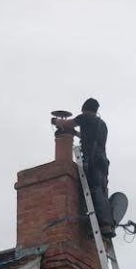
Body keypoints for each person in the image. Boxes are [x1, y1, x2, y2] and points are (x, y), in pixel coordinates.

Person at [51, 99, 115, 238]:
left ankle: (103, 224)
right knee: (102, 191)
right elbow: (87, 137)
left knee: (95, 190)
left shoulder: (85, 117)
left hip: (93, 160)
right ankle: (108, 224)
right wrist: (74, 133)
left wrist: (56, 121)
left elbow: (67, 123)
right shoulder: (101, 124)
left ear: (85, 109)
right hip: (103, 161)